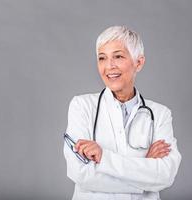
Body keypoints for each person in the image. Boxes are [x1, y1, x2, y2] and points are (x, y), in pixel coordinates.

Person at [63, 25, 181, 200]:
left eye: (118, 56)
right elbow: (81, 174)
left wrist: (103, 158)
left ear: (138, 63)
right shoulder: (82, 106)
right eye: (102, 58)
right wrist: (145, 167)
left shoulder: (160, 114)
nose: (109, 66)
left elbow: (165, 176)